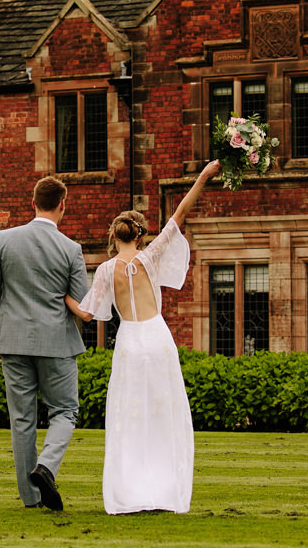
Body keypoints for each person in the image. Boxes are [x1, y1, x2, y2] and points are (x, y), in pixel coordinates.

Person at [79, 159, 221, 514]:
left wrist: (61, 296)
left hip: (129, 343)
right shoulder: (151, 256)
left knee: (129, 415)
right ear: (140, 236)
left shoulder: (105, 270)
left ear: (114, 236)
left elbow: (86, 312)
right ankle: (164, 487)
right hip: (157, 337)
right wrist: (204, 175)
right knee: (164, 412)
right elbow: (180, 212)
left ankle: (131, 489)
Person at [0, 175, 90, 511]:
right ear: (62, 206)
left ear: (33, 203)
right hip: (57, 341)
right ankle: (46, 467)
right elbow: (83, 301)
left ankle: (31, 498)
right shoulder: (71, 249)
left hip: (11, 341)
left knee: (22, 420)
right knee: (65, 411)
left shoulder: (4, 239)